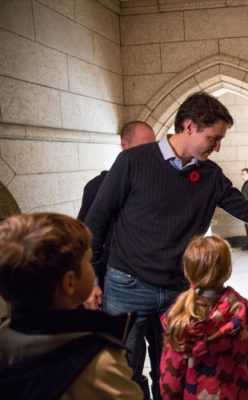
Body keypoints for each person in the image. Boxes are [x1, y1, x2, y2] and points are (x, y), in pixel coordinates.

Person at [84, 91, 248, 400]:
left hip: (179, 292)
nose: (217, 146)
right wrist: (90, 279)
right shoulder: (132, 162)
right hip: (127, 285)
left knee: (170, 376)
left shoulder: (210, 175)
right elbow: (96, 221)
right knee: (122, 374)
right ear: (190, 126)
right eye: (213, 137)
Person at [0, 212, 143, 400]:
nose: (91, 267)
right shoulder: (98, 363)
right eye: (88, 261)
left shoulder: (5, 337)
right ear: (70, 282)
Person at [77, 120, 159, 399]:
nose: (152, 155)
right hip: (118, 291)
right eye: (144, 147)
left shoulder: (159, 183)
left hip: (158, 287)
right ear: (124, 145)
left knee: (165, 364)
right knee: (127, 366)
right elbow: (86, 236)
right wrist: (91, 283)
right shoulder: (99, 186)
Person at [160, 236, 248, 400]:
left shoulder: (179, 319)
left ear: (188, 271)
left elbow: (171, 377)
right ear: (227, 270)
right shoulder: (242, 309)